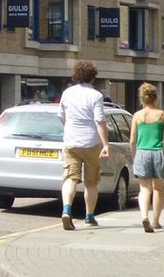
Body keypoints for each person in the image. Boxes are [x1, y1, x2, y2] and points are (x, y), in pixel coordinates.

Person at [56, 60, 110, 230]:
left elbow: (60, 116)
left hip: (71, 142)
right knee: (91, 182)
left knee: (70, 178)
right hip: (91, 143)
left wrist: (68, 129)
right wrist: (105, 144)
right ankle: (89, 216)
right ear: (92, 77)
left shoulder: (67, 93)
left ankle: (66, 210)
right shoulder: (96, 95)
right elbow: (100, 121)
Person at [130, 83, 164, 232]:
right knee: (158, 188)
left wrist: (134, 155)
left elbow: (132, 139)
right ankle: (156, 221)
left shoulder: (137, 115)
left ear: (142, 99)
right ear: (155, 97)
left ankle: (144, 216)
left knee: (144, 188)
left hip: (142, 152)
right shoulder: (161, 114)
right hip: (158, 152)